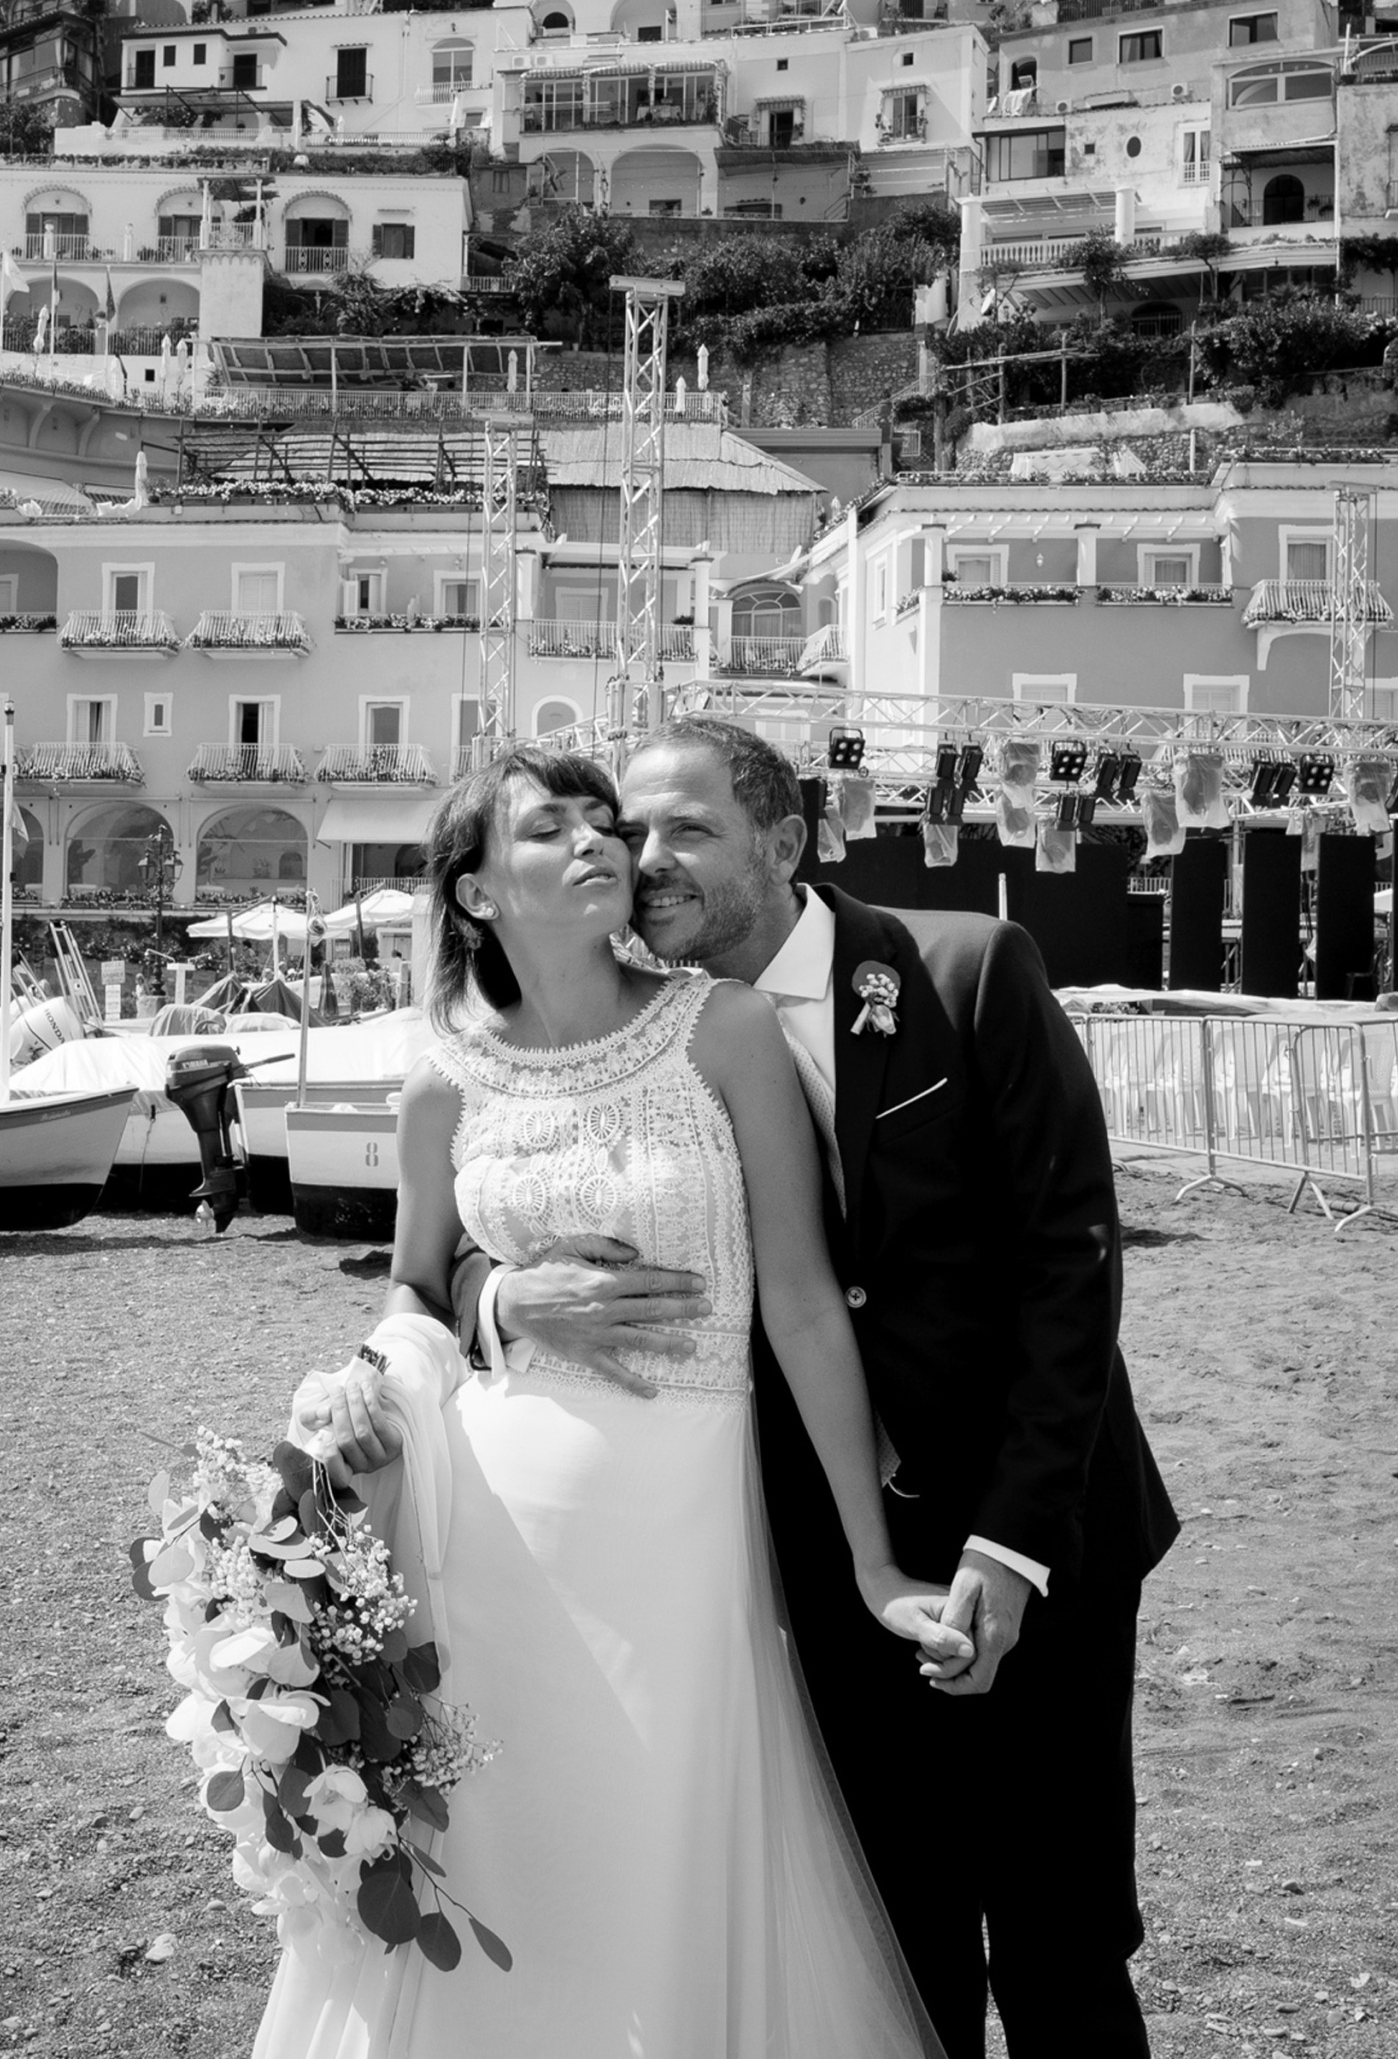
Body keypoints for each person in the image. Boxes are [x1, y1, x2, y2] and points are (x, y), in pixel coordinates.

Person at [445, 718, 1180, 2059]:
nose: (640, 857)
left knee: (1061, 1937)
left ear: (783, 843)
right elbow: (455, 1234)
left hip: (1038, 1533)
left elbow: (1067, 1270)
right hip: (798, 1563)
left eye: (686, 830)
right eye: (626, 828)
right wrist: (500, 1300)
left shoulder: (963, 970)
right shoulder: (620, 1032)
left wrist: (1008, 1548)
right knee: (892, 1945)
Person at [254, 743, 959, 2059]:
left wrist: (873, 1563)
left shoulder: (724, 1032)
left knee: (661, 1834)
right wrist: (390, 1360)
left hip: (681, 1514)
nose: (598, 843)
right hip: (488, 1527)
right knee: (510, 1843)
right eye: (546, 829)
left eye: (603, 823)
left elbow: (803, 1305)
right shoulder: (436, 1084)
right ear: (474, 896)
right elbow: (411, 1292)